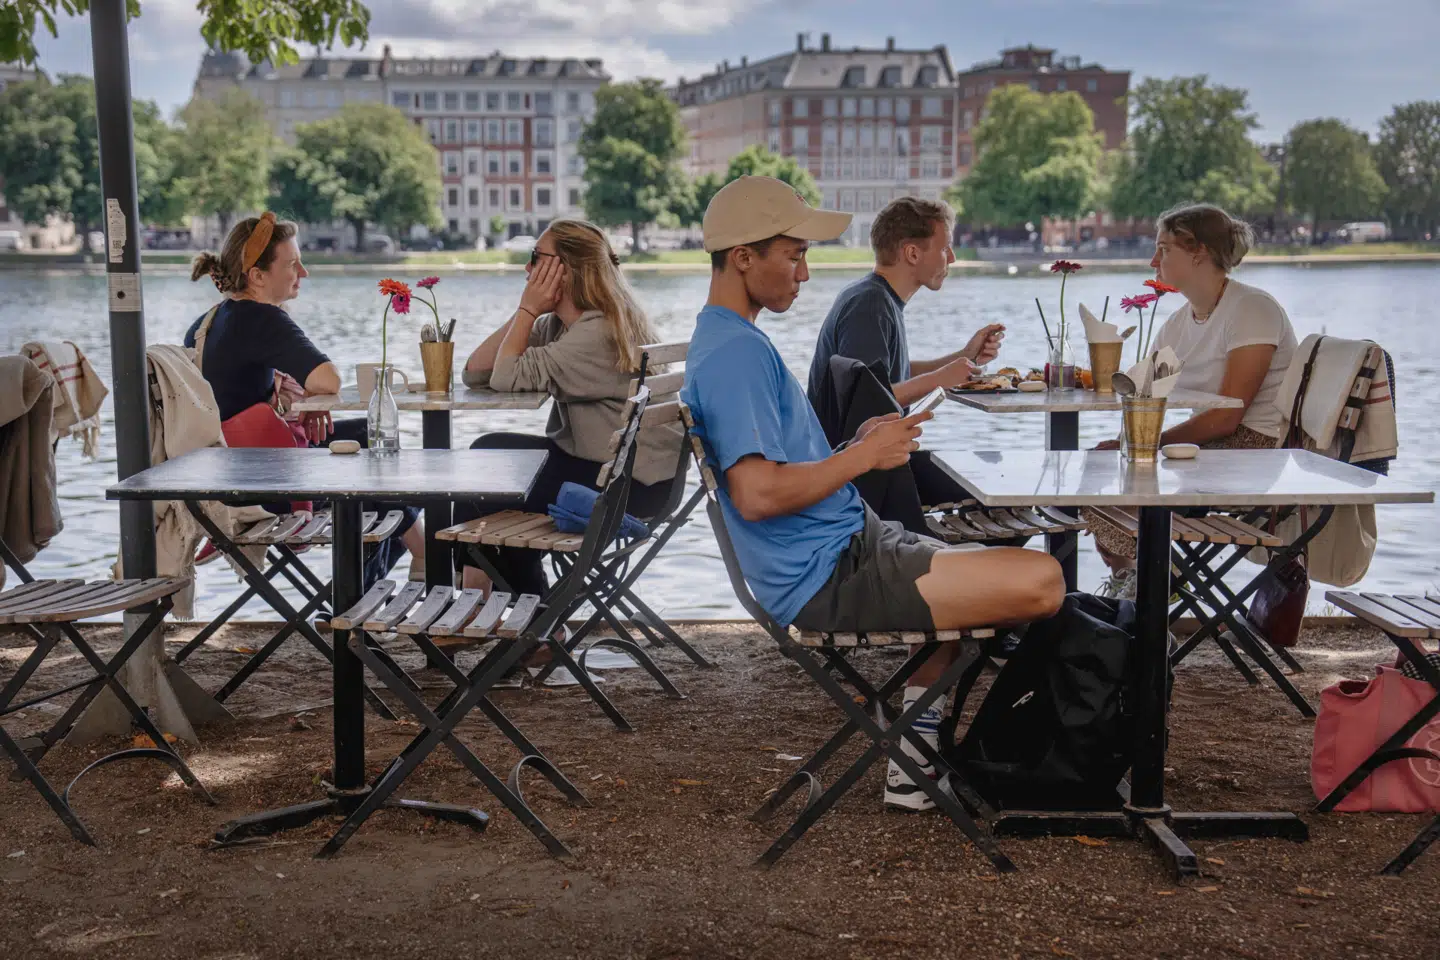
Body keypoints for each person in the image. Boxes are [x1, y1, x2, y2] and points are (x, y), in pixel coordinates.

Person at [681, 177, 1064, 811]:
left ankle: (914, 771)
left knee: (1014, 581)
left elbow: (779, 472)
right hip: (831, 571)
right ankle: (920, 765)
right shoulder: (734, 355)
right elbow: (755, 496)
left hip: (851, 544)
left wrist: (853, 443)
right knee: (1043, 580)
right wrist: (862, 457)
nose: (805, 273)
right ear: (743, 256)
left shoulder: (734, 340)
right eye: (793, 254)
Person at [187, 213, 424, 579]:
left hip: (219, 484)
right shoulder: (262, 319)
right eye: (293, 264)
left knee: (364, 437)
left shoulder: (205, 324)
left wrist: (309, 405)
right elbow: (328, 378)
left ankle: (382, 580)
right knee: (381, 456)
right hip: (267, 489)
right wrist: (314, 401)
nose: (304, 272)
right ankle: (409, 567)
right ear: (258, 276)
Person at [458, 218, 683, 598]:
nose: (528, 269)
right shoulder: (569, 325)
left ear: (568, 270)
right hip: (622, 474)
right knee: (488, 454)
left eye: (537, 258)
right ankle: (502, 603)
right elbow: (476, 372)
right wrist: (529, 311)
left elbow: (504, 376)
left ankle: (495, 604)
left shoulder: (595, 335)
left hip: (625, 490)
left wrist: (527, 308)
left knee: (486, 473)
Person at [1090, 203, 1298, 598]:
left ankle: (1147, 586)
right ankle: (1135, 585)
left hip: (1255, 451)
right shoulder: (1179, 323)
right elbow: (1142, 392)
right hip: (1209, 450)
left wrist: (1144, 444)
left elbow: (1227, 417)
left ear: (1198, 253)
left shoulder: (1252, 309)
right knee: (1097, 479)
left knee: (1114, 487)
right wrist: (1120, 439)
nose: (1153, 260)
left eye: (1164, 249)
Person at [805, 197, 1005, 514]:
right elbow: (867, 403)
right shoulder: (869, 306)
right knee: (1000, 491)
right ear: (912, 253)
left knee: (993, 481)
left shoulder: (876, 298)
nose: (951, 258)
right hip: (857, 481)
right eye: (944, 249)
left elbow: (887, 376)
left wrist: (965, 358)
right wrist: (941, 380)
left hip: (875, 469)